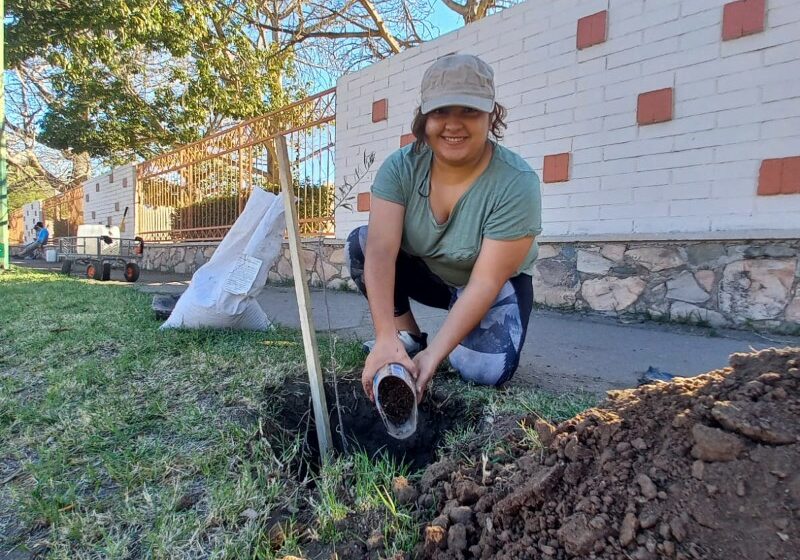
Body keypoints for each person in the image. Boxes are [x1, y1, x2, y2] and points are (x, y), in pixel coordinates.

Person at [346, 54, 542, 403]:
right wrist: (384, 337)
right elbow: (380, 251)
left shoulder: (516, 183)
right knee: (360, 243)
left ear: (491, 114)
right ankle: (406, 337)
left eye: (469, 111)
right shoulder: (400, 168)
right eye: (440, 111)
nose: (454, 124)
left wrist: (434, 356)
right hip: (434, 277)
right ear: (423, 117)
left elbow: (484, 281)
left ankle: (447, 342)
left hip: (491, 285)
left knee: (483, 372)